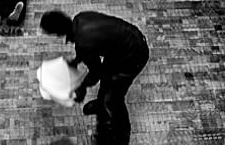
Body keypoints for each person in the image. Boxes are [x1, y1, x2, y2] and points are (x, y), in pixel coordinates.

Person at [40, 10, 149, 145]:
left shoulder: (83, 42)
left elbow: (95, 73)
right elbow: (94, 43)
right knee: (107, 78)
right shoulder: (80, 18)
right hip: (125, 44)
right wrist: (76, 61)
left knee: (114, 97)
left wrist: (82, 87)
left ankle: (121, 137)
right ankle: (102, 105)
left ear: (57, 32)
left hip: (133, 56)